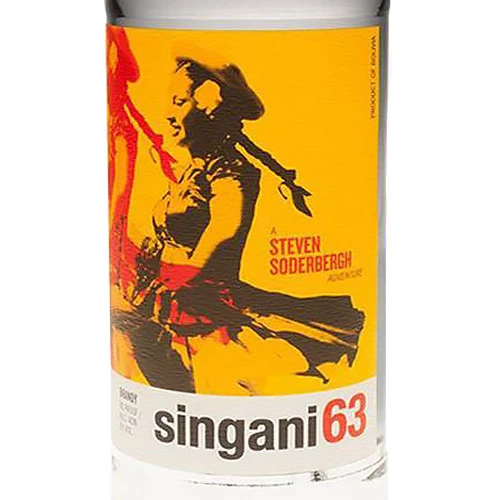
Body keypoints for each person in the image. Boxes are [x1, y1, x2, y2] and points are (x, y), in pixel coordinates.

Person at [110, 54, 365, 396]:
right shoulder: (190, 171)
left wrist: (179, 278)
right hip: (165, 304)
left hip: (201, 317)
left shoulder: (232, 172)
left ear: (209, 108)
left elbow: (224, 228)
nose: (168, 113)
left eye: (180, 102)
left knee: (212, 393)